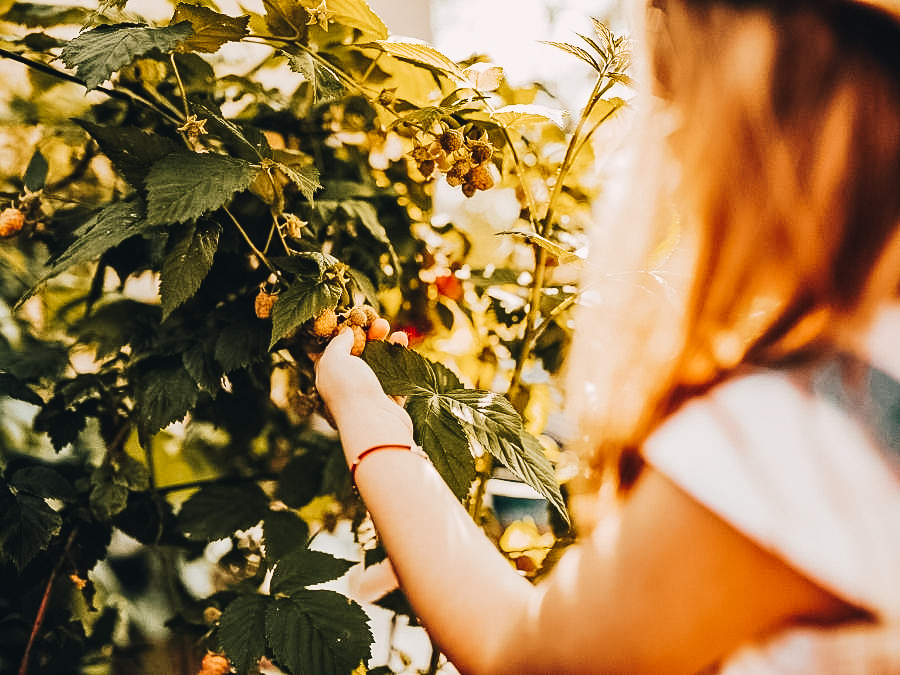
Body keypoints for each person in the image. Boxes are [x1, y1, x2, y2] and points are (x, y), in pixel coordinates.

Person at [315, 0, 900, 672]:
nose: (674, 144)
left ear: (763, 96)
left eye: (680, 92)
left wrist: (368, 419)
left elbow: (525, 656)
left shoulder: (813, 431)